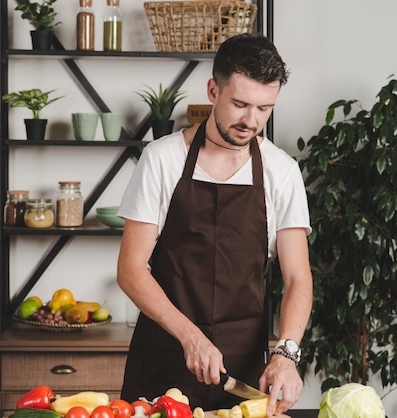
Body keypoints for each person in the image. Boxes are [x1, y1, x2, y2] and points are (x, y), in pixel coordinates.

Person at [116, 32, 313, 416]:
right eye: (240, 104)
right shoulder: (161, 160)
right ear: (212, 90)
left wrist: (286, 354)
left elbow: (298, 279)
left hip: (244, 371)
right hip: (164, 358)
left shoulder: (282, 172)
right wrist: (191, 336)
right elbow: (130, 269)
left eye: (264, 108)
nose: (250, 121)